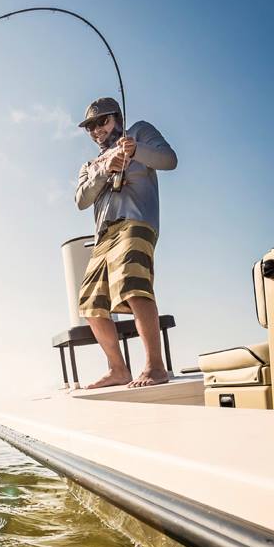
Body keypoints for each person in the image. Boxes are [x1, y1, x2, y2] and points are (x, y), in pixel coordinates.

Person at [74, 97, 177, 387]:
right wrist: (105, 170)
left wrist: (135, 151)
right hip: (103, 237)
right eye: (90, 127)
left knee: (134, 286)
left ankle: (155, 367)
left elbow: (169, 160)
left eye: (102, 121)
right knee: (91, 305)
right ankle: (118, 370)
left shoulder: (140, 132)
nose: (96, 130)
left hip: (136, 222)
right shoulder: (89, 164)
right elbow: (81, 200)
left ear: (117, 118)